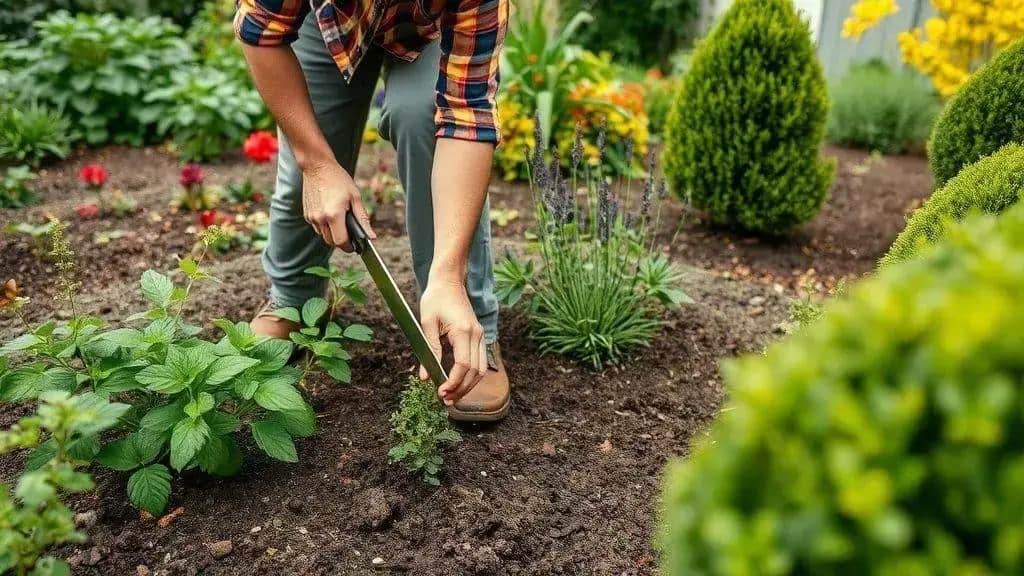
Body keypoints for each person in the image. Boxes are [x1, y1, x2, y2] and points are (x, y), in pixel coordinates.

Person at [234, 0, 511, 422]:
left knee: (424, 115)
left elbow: (467, 115)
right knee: (309, 153)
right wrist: (318, 164)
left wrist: (449, 276)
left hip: (432, 27)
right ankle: (293, 300)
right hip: (323, 19)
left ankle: (466, 323)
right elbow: (261, 33)